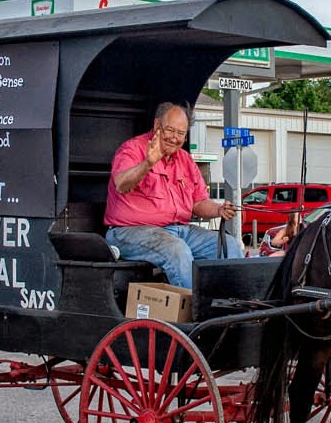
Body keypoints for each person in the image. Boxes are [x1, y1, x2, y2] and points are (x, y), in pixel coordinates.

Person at [103, 102, 241, 289]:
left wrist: (219, 209)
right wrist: (148, 163)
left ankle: (236, 308)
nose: (175, 138)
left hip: (180, 231)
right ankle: (193, 313)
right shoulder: (132, 149)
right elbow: (121, 184)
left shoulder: (185, 159)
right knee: (177, 250)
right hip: (129, 232)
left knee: (230, 246)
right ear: (156, 126)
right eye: (170, 130)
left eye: (181, 133)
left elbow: (198, 202)